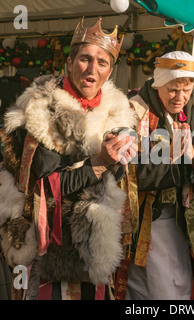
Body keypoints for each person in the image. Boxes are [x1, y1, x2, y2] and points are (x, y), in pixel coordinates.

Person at [0, 17, 137, 300]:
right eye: (85, 59)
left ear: (110, 71)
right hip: (44, 249)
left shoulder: (116, 112)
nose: (92, 69)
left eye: (102, 63)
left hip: (92, 246)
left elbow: (111, 181)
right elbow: (42, 190)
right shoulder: (41, 111)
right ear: (70, 62)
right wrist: (100, 162)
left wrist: (118, 161)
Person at [113, 51, 194, 300]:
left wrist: (193, 162)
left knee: (184, 286)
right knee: (159, 290)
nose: (180, 97)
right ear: (158, 85)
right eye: (173, 90)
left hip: (189, 220)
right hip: (152, 221)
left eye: (186, 90)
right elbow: (130, 175)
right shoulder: (134, 111)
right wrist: (174, 159)